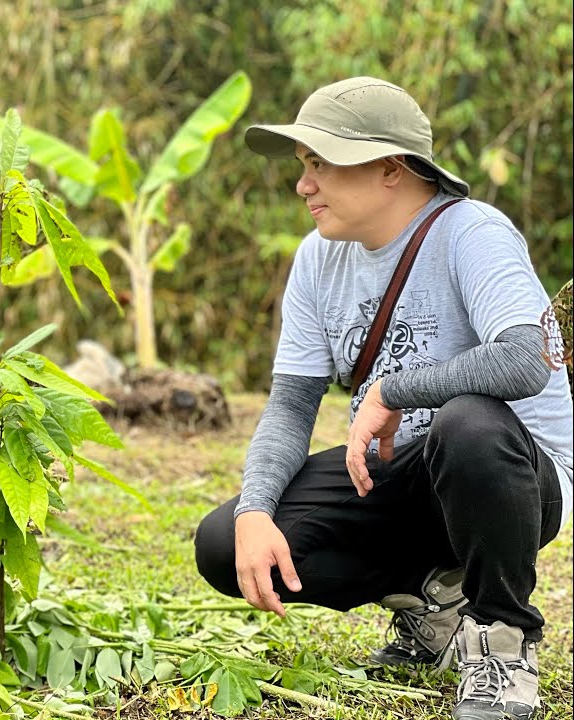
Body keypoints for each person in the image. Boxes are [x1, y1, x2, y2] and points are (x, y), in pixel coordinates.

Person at [192, 77, 572, 720]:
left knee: (467, 424)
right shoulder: (318, 259)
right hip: (403, 477)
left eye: (321, 165)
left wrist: (395, 389)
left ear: (390, 168)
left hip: (511, 477)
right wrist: (256, 510)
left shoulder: (473, 233)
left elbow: (526, 359)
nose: (302, 185)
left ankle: (504, 649)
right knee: (224, 543)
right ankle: (432, 604)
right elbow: (290, 406)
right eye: (302, 166)